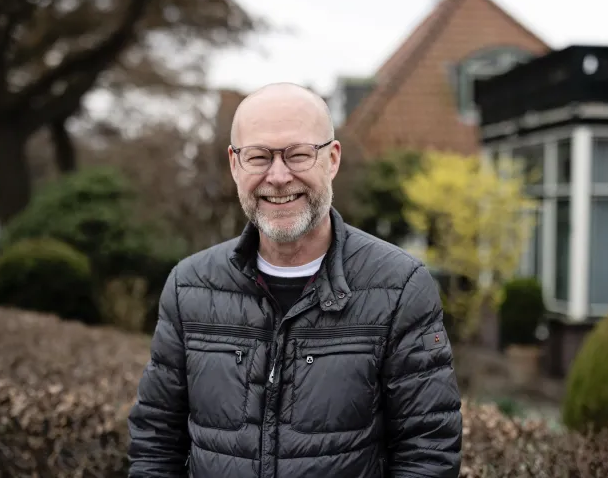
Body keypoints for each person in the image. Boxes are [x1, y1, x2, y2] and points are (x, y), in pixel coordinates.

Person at [127, 82, 462, 478]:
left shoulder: (401, 286)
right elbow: (155, 444)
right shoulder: (189, 287)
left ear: (332, 159)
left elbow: (428, 453)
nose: (279, 175)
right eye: (259, 156)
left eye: (298, 154)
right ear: (235, 164)